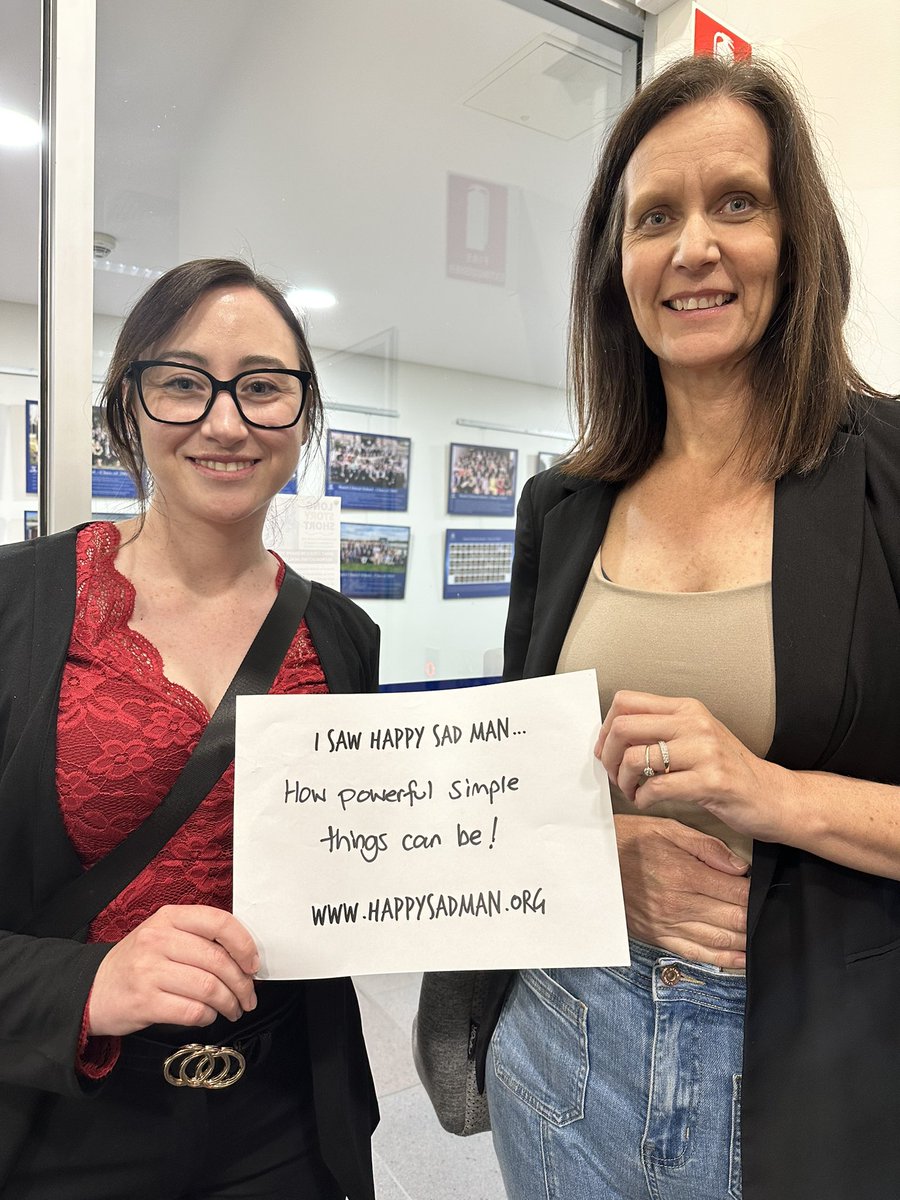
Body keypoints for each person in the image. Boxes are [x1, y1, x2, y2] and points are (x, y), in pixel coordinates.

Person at [476, 55, 900, 1200]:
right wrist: (601, 856)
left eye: (737, 204)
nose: (692, 248)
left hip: (812, 1059)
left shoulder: (890, 476)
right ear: (616, 268)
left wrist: (776, 795)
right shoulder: (561, 509)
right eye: (653, 216)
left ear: (797, 238)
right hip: (564, 1032)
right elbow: (518, 781)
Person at [0, 259, 380, 1199]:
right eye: (181, 383)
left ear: (303, 415)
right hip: (57, 1114)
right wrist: (84, 987)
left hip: (287, 1112)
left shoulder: (342, 636)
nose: (225, 421)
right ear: (126, 407)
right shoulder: (16, 604)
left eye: (263, 388)